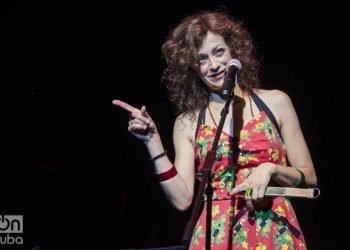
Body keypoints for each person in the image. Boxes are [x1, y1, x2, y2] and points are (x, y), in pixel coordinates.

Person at [113, 10, 317, 249]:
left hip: (273, 229)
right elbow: (182, 199)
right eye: (202, 59)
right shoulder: (187, 122)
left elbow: (309, 178)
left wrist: (271, 169)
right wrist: (152, 141)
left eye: (219, 51)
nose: (214, 65)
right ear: (192, 68)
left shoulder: (276, 102)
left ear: (233, 51)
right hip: (215, 235)